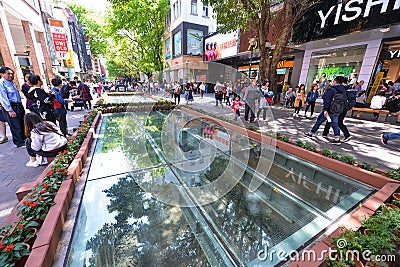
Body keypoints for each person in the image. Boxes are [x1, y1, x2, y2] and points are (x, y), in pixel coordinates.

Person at [304, 76, 347, 145]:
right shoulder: (344, 90)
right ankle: (337, 138)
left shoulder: (332, 89)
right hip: (337, 110)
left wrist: (325, 110)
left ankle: (311, 133)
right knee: (335, 124)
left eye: (334, 81)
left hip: (329, 110)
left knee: (318, 121)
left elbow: (326, 100)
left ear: (335, 81)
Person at [322, 78, 356, 143]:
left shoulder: (343, 89)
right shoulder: (346, 89)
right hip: (343, 108)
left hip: (340, 108)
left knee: (338, 121)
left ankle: (347, 135)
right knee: (331, 119)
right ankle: (325, 133)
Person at [0, 66, 26, 147]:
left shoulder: (11, 83)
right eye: (9, 74)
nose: (11, 75)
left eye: (12, 74)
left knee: (22, 123)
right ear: (2, 74)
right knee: (16, 125)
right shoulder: (1, 84)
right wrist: (9, 110)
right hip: (11, 106)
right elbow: (3, 98)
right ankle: (19, 142)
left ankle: (24, 139)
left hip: (18, 105)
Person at [0, 67, 8, 144]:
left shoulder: (3, 82)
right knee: (1, 121)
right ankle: (3, 136)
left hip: (3, 104)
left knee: (3, 120)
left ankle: (4, 136)